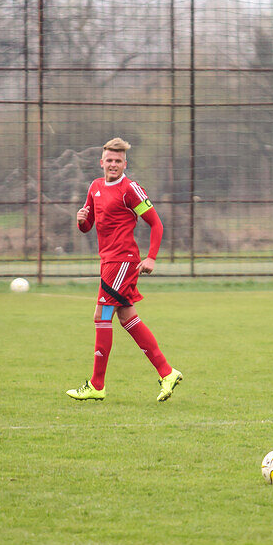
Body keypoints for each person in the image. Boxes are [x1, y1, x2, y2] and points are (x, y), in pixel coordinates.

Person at [65, 137, 183, 402]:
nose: (114, 165)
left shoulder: (130, 189)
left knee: (101, 316)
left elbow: (156, 224)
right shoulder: (95, 187)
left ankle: (97, 385)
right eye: (109, 160)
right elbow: (89, 225)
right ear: (102, 162)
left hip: (123, 261)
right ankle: (167, 372)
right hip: (108, 261)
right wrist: (81, 221)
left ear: (124, 163)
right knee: (127, 317)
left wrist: (151, 258)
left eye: (118, 161)